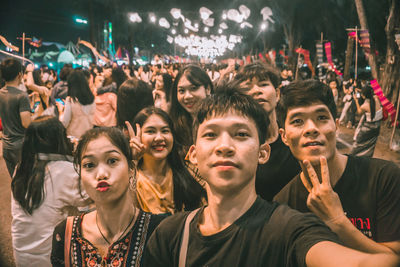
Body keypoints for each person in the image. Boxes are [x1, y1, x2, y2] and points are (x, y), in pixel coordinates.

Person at [143, 84, 400, 267]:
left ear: (263, 152)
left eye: (241, 134)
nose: (224, 146)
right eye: (210, 134)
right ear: (193, 154)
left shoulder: (288, 228)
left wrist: (337, 221)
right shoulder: (170, 236)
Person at [274, 80, 400, 255]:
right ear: (284, 137)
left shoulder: (385, 178)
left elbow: (394, 259)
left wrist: (337, 221)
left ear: (336, 126)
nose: (311, 129)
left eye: (322, 118)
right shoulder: (283, 206)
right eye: (297, 121)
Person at [51, 127, 167, 266]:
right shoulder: (66, 233)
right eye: (89, 165)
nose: (101, 174)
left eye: (112, 161)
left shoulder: (159, 231)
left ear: (131, 168)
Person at [11, 116, 90, 267]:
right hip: (50, 256)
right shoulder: (65, 171)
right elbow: (91, 196)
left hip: (20, 252)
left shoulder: (21, 168)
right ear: (60, 138)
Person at [233, 61, 300, 201]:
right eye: (247, 87)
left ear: (277, 93)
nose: (256, 90)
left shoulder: (295, 138)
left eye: (263, 84)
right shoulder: (234, 144)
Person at [128, 107, 205, 214]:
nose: (159, 138)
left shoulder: (191, 172)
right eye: (151, 131)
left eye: (165, 131)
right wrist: (133, 161)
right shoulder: (131, 178)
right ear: (137, 136)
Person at [169, 65, 213, 155]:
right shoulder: (173, 126)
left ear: (207, 89)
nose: (187, 96)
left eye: (193, 88)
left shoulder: (220, 119)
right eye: (181, 91)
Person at [0, 58, 31, 176]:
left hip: (6, 145)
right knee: (26, 180)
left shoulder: (0, 93)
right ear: (20, 74)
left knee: (15, 180)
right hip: (21, 146)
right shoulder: (21, 96)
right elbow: (26, 123)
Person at [62, 70, 96, 139]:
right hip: (89, 136)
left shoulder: (71, 100)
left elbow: (65, 122)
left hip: (74, 137)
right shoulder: (92, 98)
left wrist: (60, 112)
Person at [351, 85, 383, 157]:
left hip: (368, 127)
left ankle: (353, 157)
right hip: (377, 126)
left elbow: (359, 112)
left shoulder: (365, 105)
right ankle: (367, 157)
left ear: (363, 95)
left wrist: (356, 100)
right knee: (370, 145)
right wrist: (361, 91)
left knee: (359, 144)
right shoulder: (376, 98)